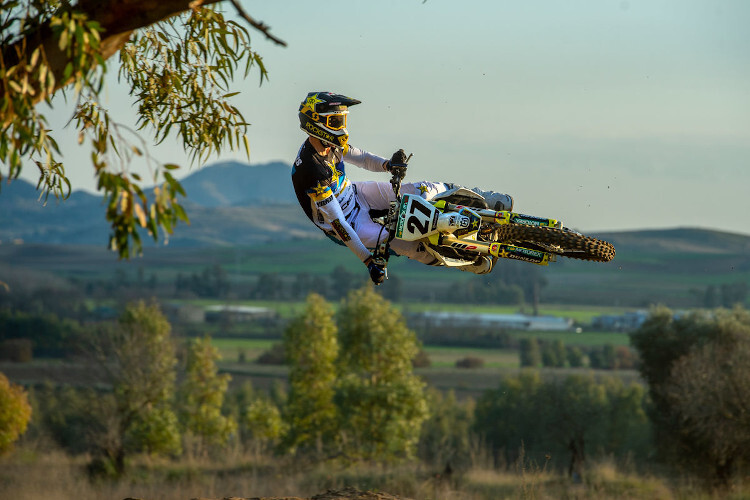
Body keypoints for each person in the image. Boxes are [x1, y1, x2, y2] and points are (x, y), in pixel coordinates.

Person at [291, 91, 513, 285]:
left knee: (423, 190)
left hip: (355, 193)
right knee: (403, 242)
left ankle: (484, 198)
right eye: (336, 122)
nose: (342, 127)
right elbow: (339, 223)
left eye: (342, 120)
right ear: (316, 123)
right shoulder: (311, 171)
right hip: (347, 222)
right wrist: (369, 262)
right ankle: (469, 262)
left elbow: (362, 158)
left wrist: (389, 165)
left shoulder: (329, 143)